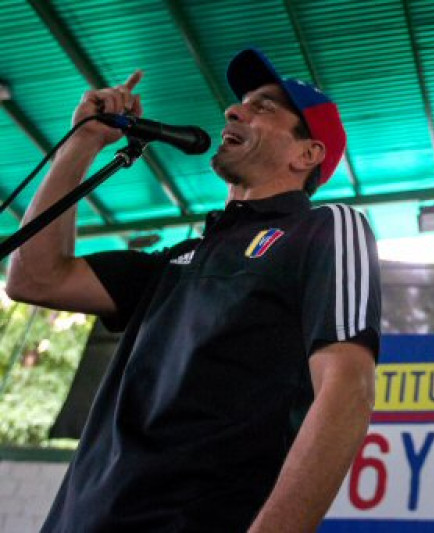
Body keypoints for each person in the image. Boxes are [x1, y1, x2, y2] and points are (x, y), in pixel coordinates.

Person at [7, 48, 381, 532]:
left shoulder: (324, 228)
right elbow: (35, 277)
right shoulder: (175, 261)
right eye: (241, 101)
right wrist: (82, 145)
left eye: (264, 107)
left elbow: (348, 391)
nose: (233, 109)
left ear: (306, 154)